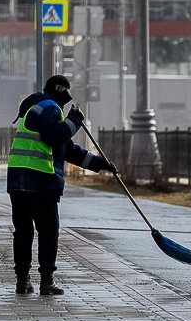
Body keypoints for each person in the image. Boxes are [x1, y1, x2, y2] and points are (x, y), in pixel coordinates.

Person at [7, 75, 117, 296]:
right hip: (40, 180)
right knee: (48, 232)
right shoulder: (50, 108)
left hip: (18, 181)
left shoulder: (35, 109)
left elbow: (67, 149)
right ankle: (46, 282)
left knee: (23, 232)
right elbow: (55, 137)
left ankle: (23, 281)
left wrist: (100, 164)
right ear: (61, 95)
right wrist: (75, 120)